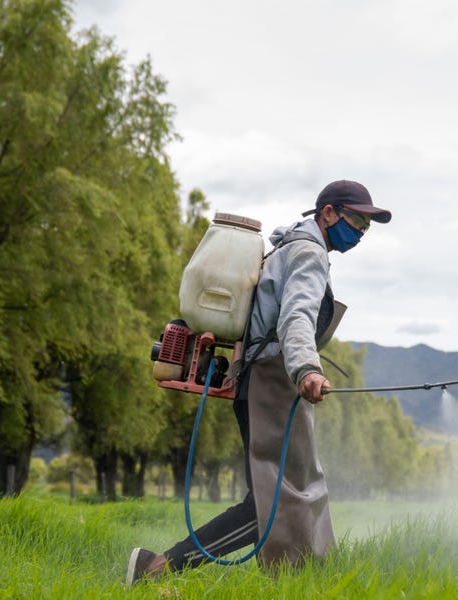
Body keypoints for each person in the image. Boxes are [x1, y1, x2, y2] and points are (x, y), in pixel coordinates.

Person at [126, 180, 391, 585]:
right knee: (271, 503)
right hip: (273, 383)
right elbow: (296, 316)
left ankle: (302, 579)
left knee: (278, 497)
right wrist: (307, 369)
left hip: (261, 380)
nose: (361, 232)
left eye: (367, 226)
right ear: (328, 214)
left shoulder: (288, 248)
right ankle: (158, 568)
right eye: (356, 220)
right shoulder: (308, 253)